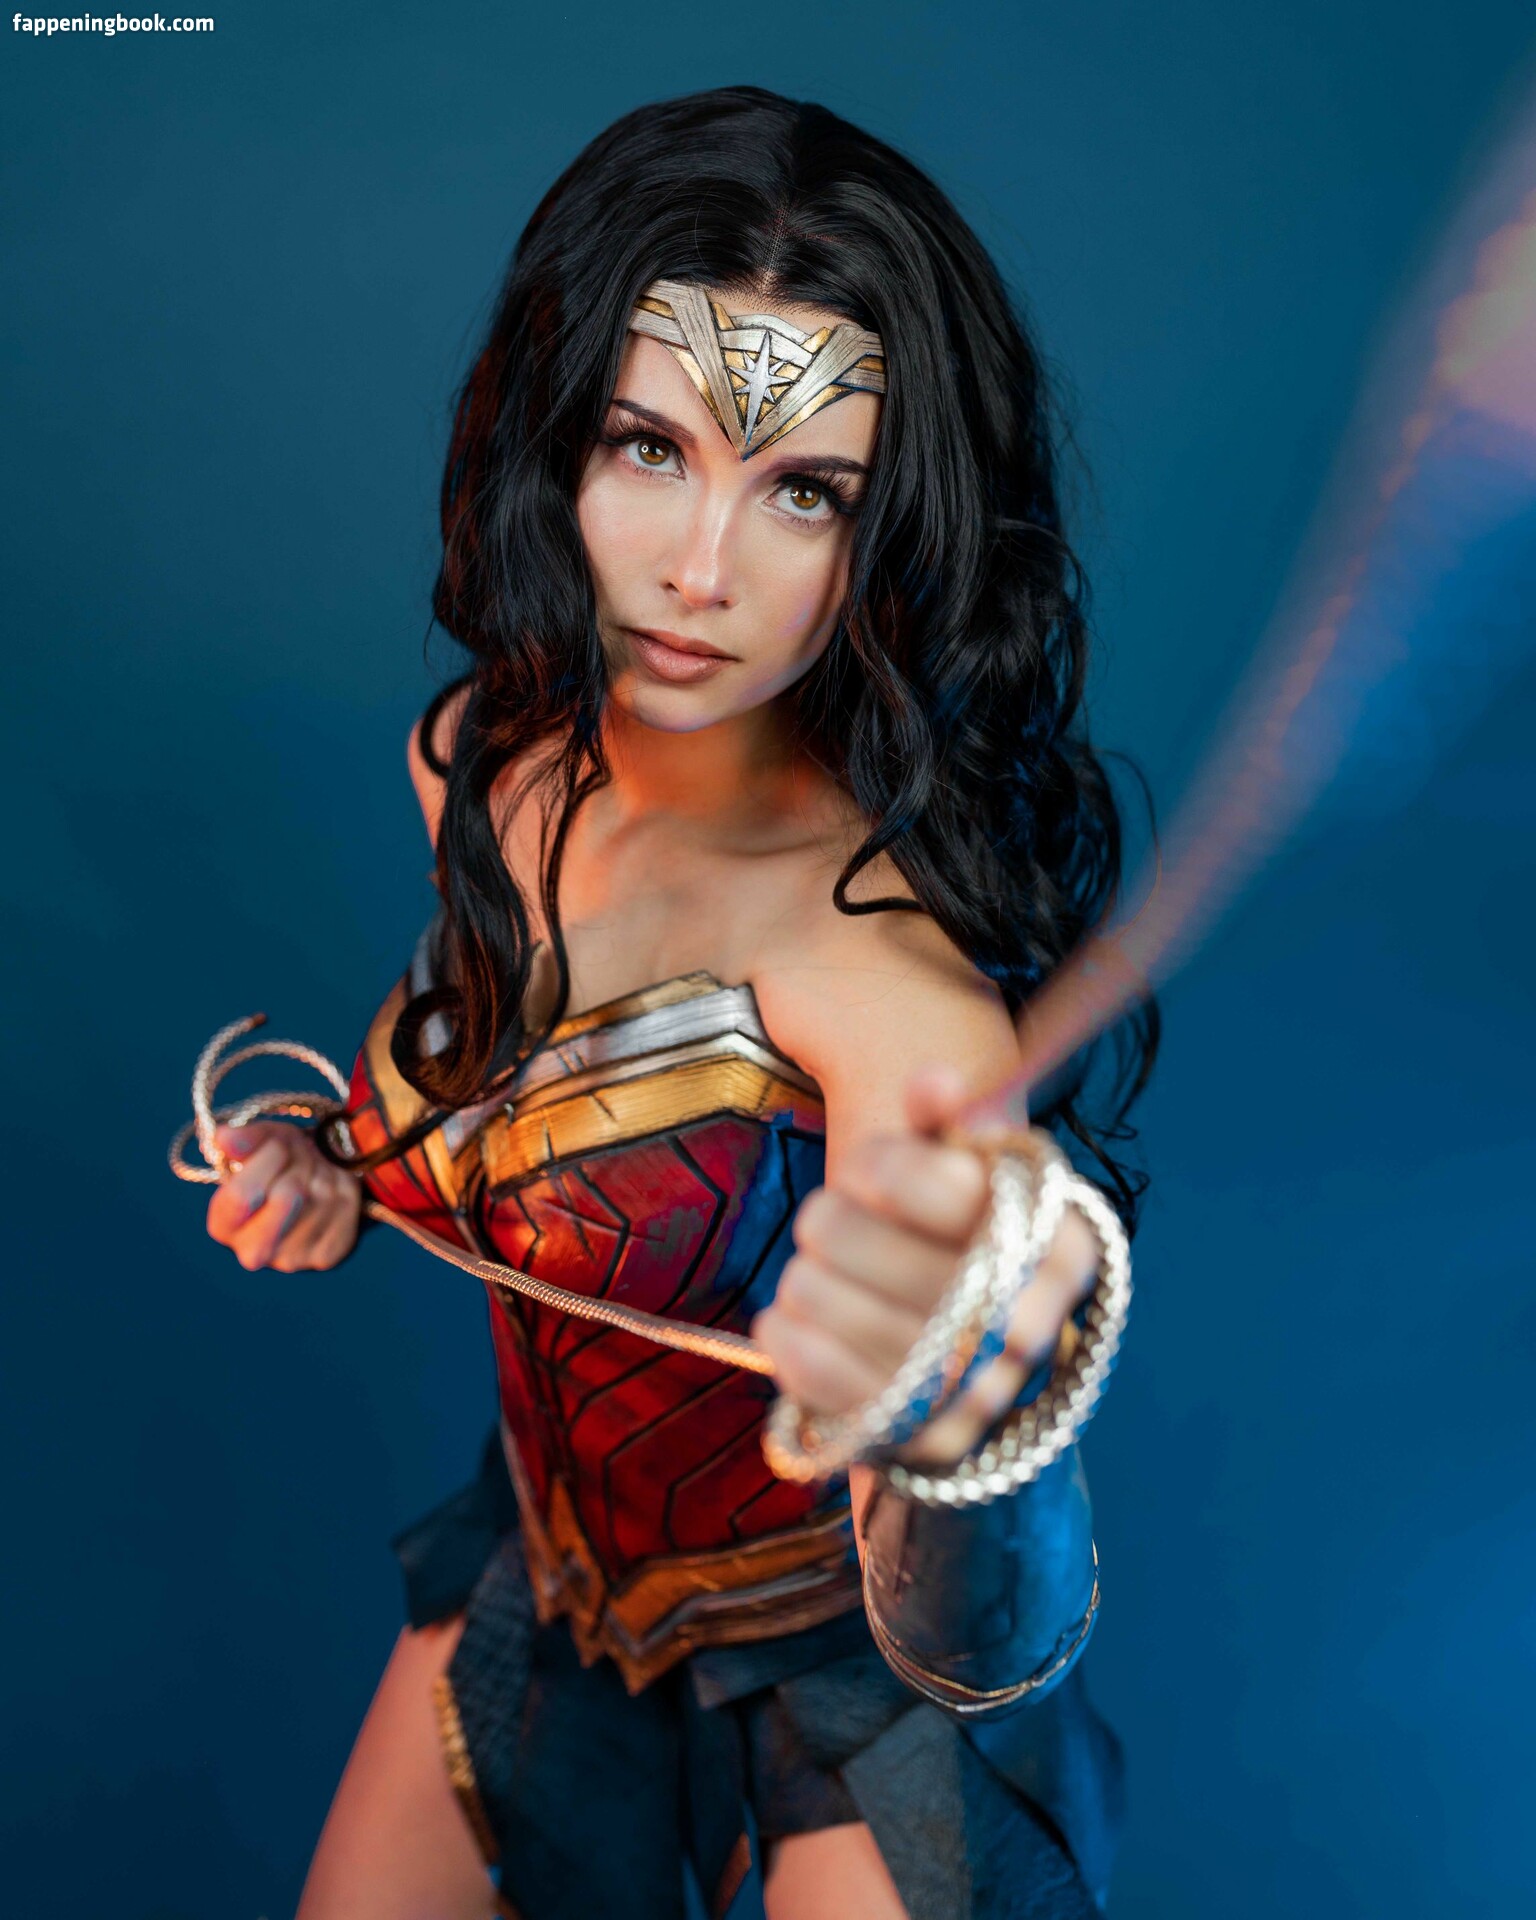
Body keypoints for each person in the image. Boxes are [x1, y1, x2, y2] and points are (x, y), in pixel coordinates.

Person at [203, 86, 1157, 1920]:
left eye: (805, 492)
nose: (700, 569)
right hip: (557, 1584)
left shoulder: (895, 1000)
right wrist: (328, 1156)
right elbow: (475, 1078)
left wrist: (966, 1416)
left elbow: (982, 1640)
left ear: (896, 535)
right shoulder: (482, 768)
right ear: (551, 439)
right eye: (649, 447)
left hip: (857, 1674)